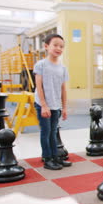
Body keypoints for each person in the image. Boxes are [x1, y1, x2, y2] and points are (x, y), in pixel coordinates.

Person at [34, 34, 72, 170]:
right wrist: (44, 105)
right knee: (46, 131)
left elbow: (63, 89)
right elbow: (38, 86)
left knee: (54, 131)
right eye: (55, 45)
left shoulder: (62, 68)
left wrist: (65, 108)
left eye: (61, 46)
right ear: (46, 46)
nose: (58, 48)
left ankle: (56, 157)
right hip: (43, 104)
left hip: (56, 105)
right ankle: (47, 158)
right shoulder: (41, 65)